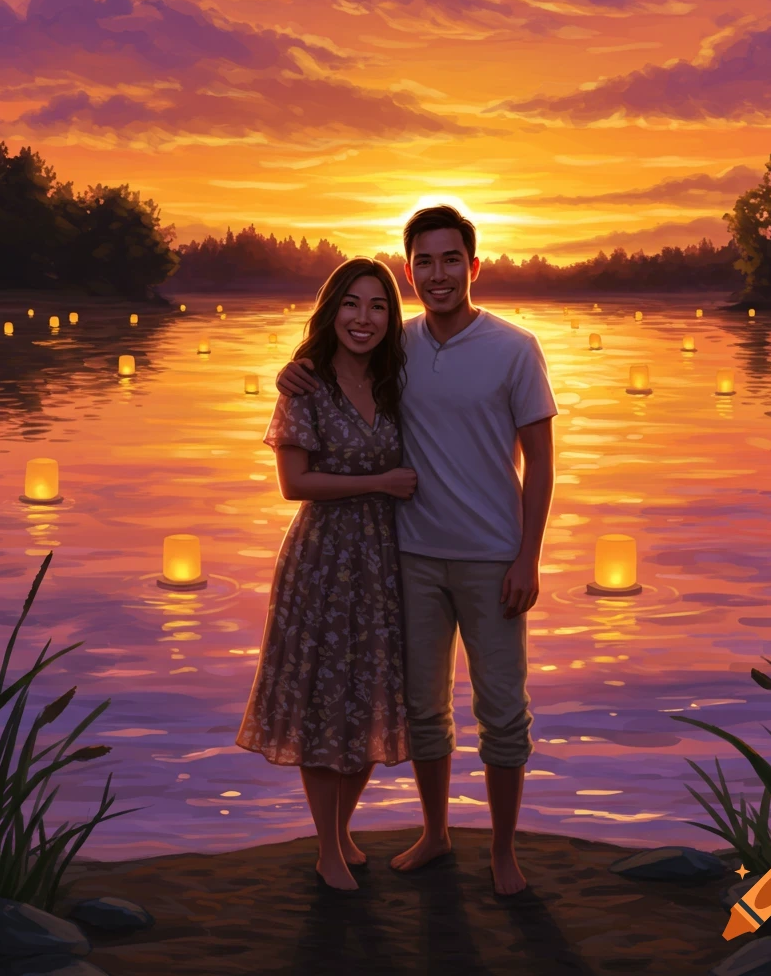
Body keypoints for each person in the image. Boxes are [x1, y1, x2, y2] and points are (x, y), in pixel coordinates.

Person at [277, 205, 557, 895]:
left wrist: (529, 557)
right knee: (425, 711)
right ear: (410, 271)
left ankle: (503, 852)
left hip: (494, 559)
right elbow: (334, 363)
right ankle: (435, 833)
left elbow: (542, 464)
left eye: (450, 259)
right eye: (424, 262)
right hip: (410, 558)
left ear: (473, 266)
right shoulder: (394, 349)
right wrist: (294, 367)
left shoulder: (515, 348)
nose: (438, 274)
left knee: (502, 712)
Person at [236, 258, 417, 892]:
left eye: (378, 306)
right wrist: (380, 483)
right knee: (322, 701)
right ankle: (327, 848)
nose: (364, 318)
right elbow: (294, 483)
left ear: (391, 317)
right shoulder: (305, 385)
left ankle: (341, 830)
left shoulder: (396, 381)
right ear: (331, 310)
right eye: (351, 303)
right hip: (323, 560)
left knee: (369, 698)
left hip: (384, 560)